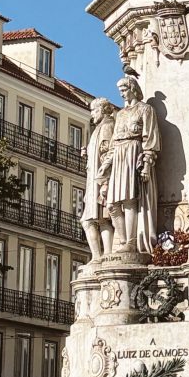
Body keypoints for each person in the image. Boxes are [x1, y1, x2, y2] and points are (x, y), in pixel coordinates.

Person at [106, 75, 160, 255]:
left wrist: (146, 163)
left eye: (124, 90)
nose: (121, 94)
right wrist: (106, 164)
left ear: (133, 89)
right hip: (119, 155)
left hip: (133, 152)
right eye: (120, 91)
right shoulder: (120, 114)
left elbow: (149, 138)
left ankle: (130, 242)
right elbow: (113, 141)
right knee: (112, 204)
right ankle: (122, 240)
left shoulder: (146, 110)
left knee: (129, 200)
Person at [81, 96, 115, 262]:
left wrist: (106, 181)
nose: (92, 114)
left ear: (103, 110)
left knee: (99, 219)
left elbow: (109, 152)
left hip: (100, 180)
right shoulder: (99, 128)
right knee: (96, 219)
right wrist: (88, 153)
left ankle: (101, 256)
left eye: (94, 110)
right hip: (94, 179)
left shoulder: (107, 126)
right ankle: (100, 255)